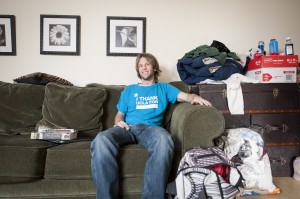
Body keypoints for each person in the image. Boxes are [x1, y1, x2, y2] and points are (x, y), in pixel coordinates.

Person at [90, 53, 212, 199]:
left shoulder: (164, 88)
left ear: (154, 68)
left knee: (164, 140)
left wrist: (195, 97)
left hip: (151, 130)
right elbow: (119, 115)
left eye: (147, 64)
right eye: (140, 65)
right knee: (101, 139)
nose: (143, 68)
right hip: (127, 128)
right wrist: (118, 122)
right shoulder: (129, 90)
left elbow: (186, 96)